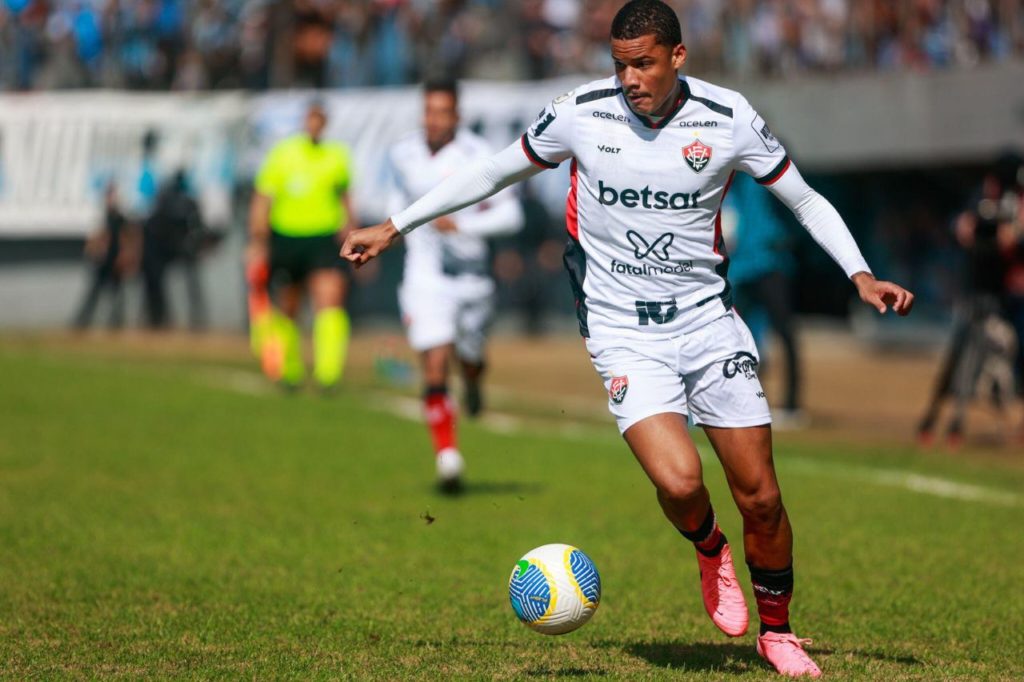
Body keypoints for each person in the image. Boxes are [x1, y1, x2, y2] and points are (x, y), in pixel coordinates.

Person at [343, 2, 914, 677]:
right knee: (679, 482)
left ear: (677, 56)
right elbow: (493, 172)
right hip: (621, 330)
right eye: (619, 63)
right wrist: (396, 225)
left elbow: (805, 198)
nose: (629, 77)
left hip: (706, 322)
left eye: (642, 62)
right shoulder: (581, 112)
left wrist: (859, 273)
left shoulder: (728, 118)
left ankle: (778, 632)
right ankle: (709, 549)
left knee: (760, 494)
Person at [386, 77, 524, 491]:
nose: (434, 120)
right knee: (434, 360)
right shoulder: (403, 154)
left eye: (443, 112)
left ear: (457, 116)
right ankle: (447, 455)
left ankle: (475, 379)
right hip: (425, 277)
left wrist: (463, 224)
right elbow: (396, 203)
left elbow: (510, 216)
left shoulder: (479, 155)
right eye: (429, 111)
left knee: (469, 356)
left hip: (473, 280)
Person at [247, 101, 357, 390]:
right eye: (311, 118)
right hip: (286, 238)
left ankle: (328, 374)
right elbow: (263, 197)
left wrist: (353, 235)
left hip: (323, 238)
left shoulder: (337, 155)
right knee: (289, 305)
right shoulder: (283, 154)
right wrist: (258, 240)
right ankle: (290, 369)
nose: (315, 124)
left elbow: (345, 198)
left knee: (330, 298)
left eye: (320, 119)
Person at [723, 172, 804, 426]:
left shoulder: (764, 170)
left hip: (770, 261)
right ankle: (743, 399)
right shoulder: (730, 177)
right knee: (735, 336)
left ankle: (792, 404)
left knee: (785, 331)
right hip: (741, 265)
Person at [72, 182, 135, 329]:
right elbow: (94, 238)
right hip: (103, 261)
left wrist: (126, 256)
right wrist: (94, 252)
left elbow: (129, 237)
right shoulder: (102, 217)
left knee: (118, 296)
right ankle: (82, 322)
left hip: (116, 262)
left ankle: (116, 323)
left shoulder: (121, 218)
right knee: (94, 294)